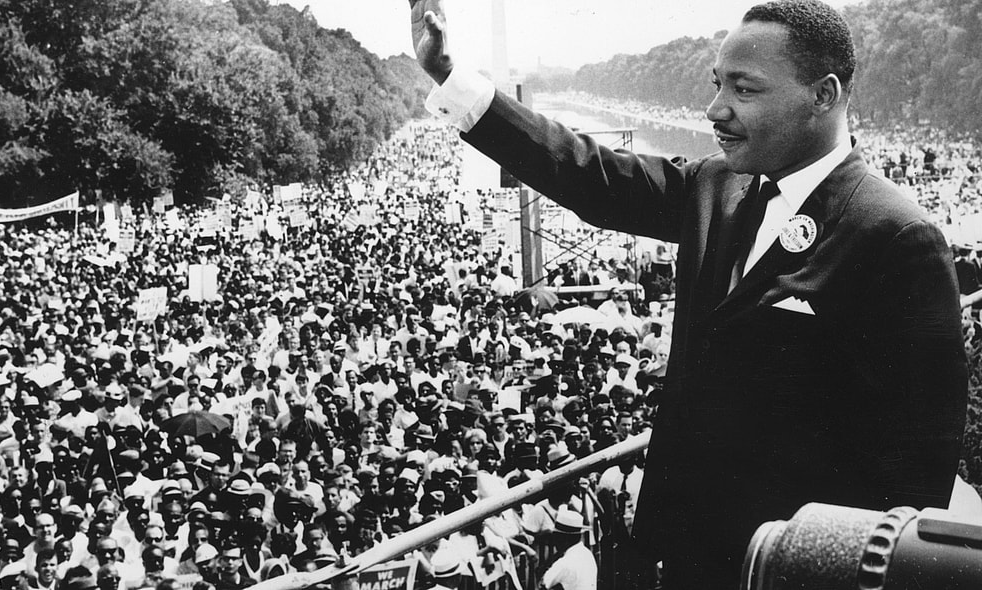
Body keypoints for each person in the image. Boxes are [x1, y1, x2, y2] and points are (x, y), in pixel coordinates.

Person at [407, 1, 968, 588]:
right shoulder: (716, 185)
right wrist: (452, 79)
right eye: (716, 84)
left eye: (744, 89)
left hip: (784, 568)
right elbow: (585, 174)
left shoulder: (897, 238)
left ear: (823, 96)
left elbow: (913, 484)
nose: (714, 109)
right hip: (676, 557)